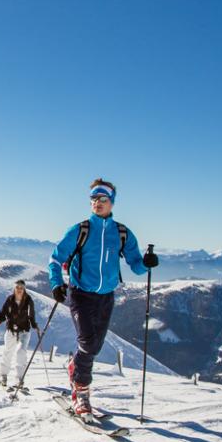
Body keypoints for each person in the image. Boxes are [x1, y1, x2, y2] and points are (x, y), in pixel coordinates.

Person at [48, 178, 158, 416]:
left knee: (94, 347)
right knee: (87, 342)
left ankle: (74, 367)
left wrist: (147, 263)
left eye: (102, 199)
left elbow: (136, 265)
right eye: (93, 199)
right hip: (80, 294)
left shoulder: (122, 233)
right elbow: (55, 259)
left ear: (112, 203)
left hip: (106, 297)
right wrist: (57, 284)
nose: (97, 203)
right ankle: (81, 395)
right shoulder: (80, 230)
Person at [0, 279, 39, 389]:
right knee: (8, 352)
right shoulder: (10, 299)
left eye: (21, 288)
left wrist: (35, 326)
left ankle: (19, 378)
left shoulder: (28, 300)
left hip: (24, 331)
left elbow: (31, 316)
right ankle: (3, 375)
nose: (19, 290)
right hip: (11, 330)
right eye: (17, 287)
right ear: (14, 288)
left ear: (24, 289)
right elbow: (3, 313)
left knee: (21, 352)